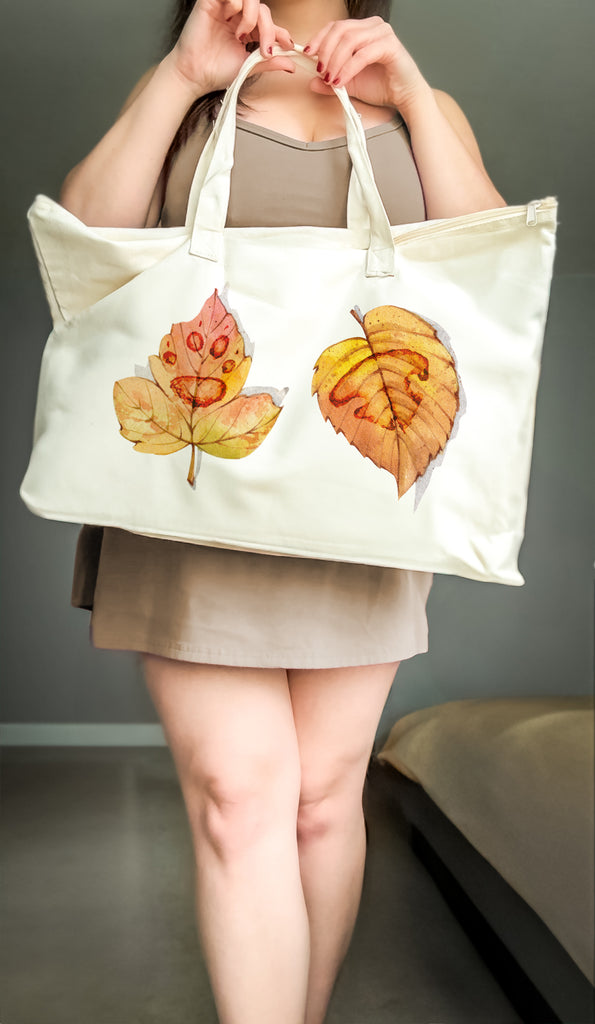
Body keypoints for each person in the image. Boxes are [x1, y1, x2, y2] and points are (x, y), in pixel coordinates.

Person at [59, 1, 506, 1022]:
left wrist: (412, 98)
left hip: (360, 493)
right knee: (237, 796)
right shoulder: (189, 88)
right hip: (194, 485)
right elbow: (83, 245)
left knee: (317, 803)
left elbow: (491, 270)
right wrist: (181, 76)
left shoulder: (419, 98)